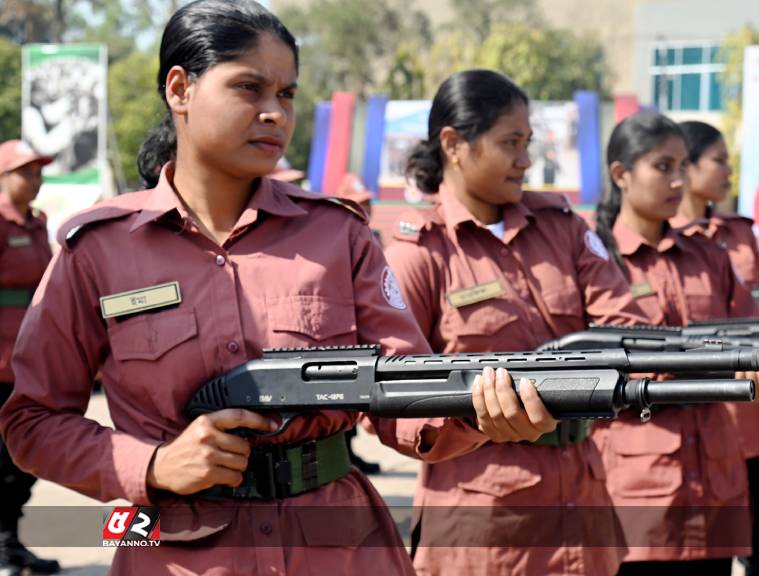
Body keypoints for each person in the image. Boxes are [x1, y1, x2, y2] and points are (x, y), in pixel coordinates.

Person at [0, 4, 552, 575]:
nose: (274, 113)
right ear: (180, 88)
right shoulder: (98, 246)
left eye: (287, 95)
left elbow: (403, 391)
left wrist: (478, 415)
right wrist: (154, 466)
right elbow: (31, 421)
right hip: (172, 547)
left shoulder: (338, 233)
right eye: (249, 88)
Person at [385, 69, 649, 576]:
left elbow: (625, 328)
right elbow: (391, 399)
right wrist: (472, 419)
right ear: (453, 143)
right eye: (511, 143)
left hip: (582, 507)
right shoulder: (421, 253)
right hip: (484, 527)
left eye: (528, 142)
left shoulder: (564, 230)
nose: (527, 160)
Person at [589, 111, 759, 576]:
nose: (678, 180)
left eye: (682, 167)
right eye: (663, 167)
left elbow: (752, 334)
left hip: (714, 475)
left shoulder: (708, 255)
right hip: (636, 485)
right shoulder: (594, 258)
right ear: (621, 174)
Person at [671, 120, 759, 576]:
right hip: (717, 421)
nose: (729, 170)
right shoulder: (665, 241)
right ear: (684, 167)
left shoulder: (739, 232)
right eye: (719, 160)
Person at [0, 140, 60, 576]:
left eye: (39, 171)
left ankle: (10, 543)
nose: (35, 180)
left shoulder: (38, 224)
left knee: (23, 460)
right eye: (26, 172)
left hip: (29, 360)